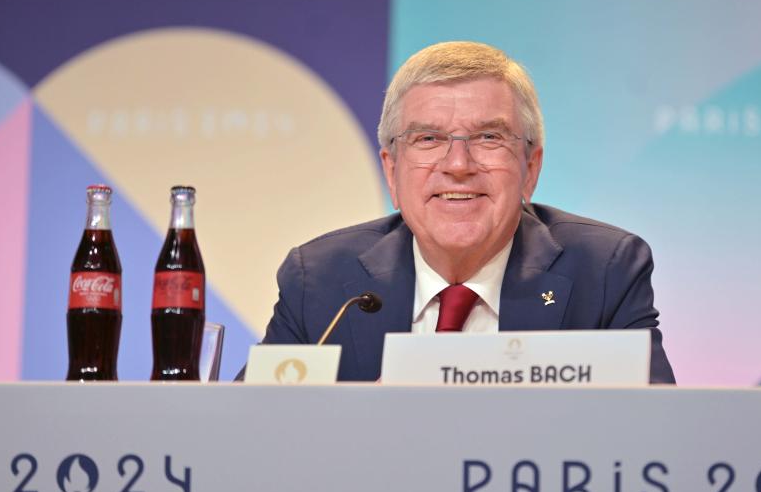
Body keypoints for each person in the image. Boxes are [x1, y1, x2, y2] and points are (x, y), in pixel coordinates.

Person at [249, 41, 674, 383]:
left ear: (530, 168)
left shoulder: (604, 272)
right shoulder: (320, 280)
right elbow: (251, 429)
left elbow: (654, 436)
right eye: (428, 139)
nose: (458, 165)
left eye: (489, 137)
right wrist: (364, 419)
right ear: (392, 171)